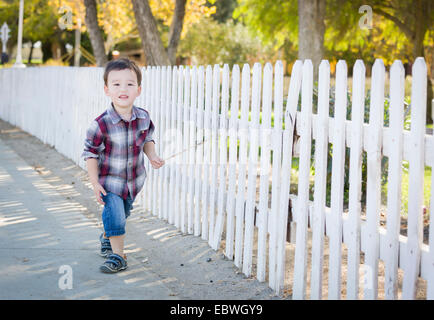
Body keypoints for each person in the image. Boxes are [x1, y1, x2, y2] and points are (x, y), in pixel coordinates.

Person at [82, 58, 164, 273]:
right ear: (107, 90)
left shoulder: (143, 117)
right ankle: (119, 256)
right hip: (109, 181)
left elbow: (148, 139)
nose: (123, 88)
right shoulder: (101, 124)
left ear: (138, 89)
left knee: (122, 213)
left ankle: (107, 236)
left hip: (134, 181)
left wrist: (153, 155)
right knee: (116, 215)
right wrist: (94, 182)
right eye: (116, 84)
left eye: (129, 84)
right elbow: (90, 153)